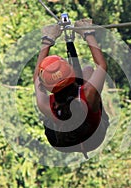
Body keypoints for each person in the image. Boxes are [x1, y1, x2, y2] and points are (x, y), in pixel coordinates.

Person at [33, 19, 109, 156]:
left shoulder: (45, 104)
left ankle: (64, 121)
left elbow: (37, 79)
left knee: (86, 74)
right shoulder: (89, 93)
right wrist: (87, 32)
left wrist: (48, 40)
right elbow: (101, 66)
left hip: (63, 144)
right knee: (88, 71)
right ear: (72, 73)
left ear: (47, 86)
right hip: (94, 139)